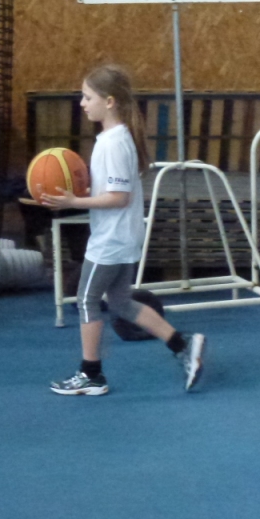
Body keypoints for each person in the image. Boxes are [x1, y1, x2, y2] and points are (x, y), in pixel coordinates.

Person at [40, 64, 205, 395]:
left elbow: (119, 197)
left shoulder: (114, 143)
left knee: (86, 300)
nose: (82, 103)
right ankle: (182, 344)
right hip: (122, 236)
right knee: (121, 303)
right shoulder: (115, 138)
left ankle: (91, 375)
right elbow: (113, 191)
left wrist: (74, 201)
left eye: (87, 97)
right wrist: (79, 194)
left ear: (110, 101)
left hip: (111, 240)